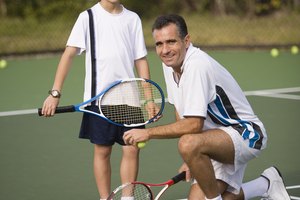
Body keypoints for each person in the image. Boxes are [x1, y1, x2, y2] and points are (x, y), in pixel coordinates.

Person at [123, 14, 290, 200]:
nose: (165, 50)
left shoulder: (197, 66)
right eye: (159, 44)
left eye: (171, 42)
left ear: (186, 41)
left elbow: (194, 125)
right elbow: (181, 112)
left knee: (187, 144)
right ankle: (267, 183)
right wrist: (191, 159)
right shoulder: (170, 65)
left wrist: (149, 133)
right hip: (211, 140)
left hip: (245, 134)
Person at [41, 0, 151, 199]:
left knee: (132, 149)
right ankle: (104, 197)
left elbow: (140, 59)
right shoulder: (87, 17)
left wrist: (149, 98)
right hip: (99, 100)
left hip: (130, 99)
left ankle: (128, 197)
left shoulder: (132, 19)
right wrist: (55, 93)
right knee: (102, 151)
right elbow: (69, 55)